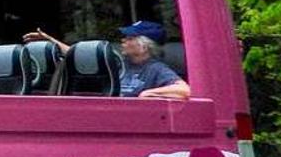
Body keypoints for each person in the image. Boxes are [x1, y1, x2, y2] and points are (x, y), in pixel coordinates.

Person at [22, 20, 190, 99]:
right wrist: (52, 42)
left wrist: (149, 93)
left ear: (144, 46)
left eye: (129, 38)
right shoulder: (119, 63)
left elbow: (184, 90)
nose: (123, 41)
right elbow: (77, 54)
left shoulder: (156, 69)